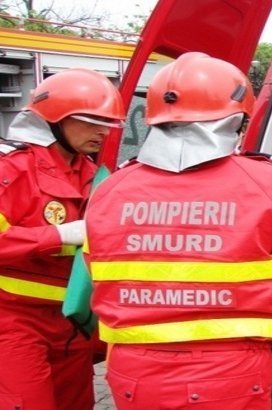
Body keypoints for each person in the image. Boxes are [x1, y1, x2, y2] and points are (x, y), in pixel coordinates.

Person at [84, 52, 272, 409]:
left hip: (133, 371)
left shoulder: (110, 189)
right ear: (237, 119)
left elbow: (99, 274)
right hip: (232, 370)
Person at [0, 68, 125, 409]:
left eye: (108, 124)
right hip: (13, 322)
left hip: (72, 322)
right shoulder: (11, 170)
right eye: (92, 121)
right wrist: (58, 236)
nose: (103, 132)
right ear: (55, 119)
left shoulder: (96, 176)